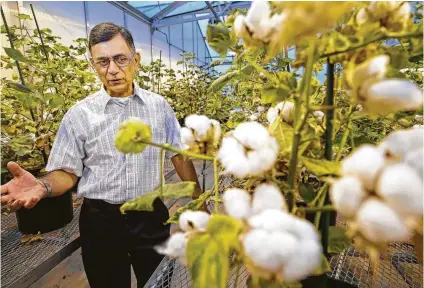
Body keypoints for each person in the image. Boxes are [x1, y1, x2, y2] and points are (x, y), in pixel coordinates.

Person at [1, 22, 204, 288]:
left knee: (160, 281)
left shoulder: (158, 106)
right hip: (101, 222)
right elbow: (68, 171)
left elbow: (179, 156)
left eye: (120, 59)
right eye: (102, 62)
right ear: (93, 65)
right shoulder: (79, 115)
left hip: (150, 215)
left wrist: (201, 201)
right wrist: (43, 185)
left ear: (136, 59)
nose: (112, 70)